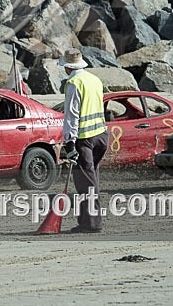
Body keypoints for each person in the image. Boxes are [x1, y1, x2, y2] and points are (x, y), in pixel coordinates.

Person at [59, 48, 108, 233]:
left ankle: (91, 223)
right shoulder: (94, 80)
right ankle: (88, 221)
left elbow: (71, 116)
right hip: (101, 136)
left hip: (85, 139)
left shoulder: (74, 83)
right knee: (91, 179)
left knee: (85, 183)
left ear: (67, 68)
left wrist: (69, 143)